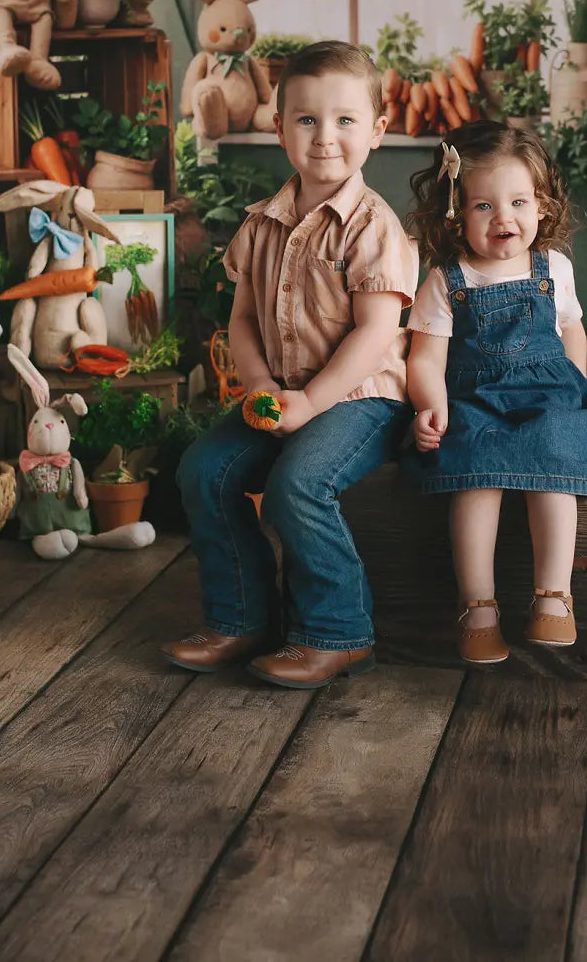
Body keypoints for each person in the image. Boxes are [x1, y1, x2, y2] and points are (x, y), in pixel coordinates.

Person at [162, 40, 417, 688]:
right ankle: (240, 617)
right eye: (306, 119)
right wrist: (259, 386)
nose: (324, 137)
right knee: (205, 469)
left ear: (377, 132)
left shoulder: (372, 229)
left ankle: (337, 631)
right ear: (279, 129)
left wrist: (312, 401)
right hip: (280, 391)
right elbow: (243, 318)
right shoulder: (261, 225)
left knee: (297, 484)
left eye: (344, 120)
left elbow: (375, 332)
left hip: (362, 398)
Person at [405, 121, 587, 665]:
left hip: (546, 395)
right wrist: (429, 404)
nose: (504, 218)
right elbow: (425, 357)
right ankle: (477, 607)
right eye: (483, 206)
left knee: (554, 462)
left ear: (542, 207)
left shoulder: (554, 269)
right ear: (456, 212)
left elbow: (571, 329)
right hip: (477, 400)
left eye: (519, 202)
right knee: (475, 475)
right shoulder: (446, 280)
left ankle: (554, 596)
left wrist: (577, 390)